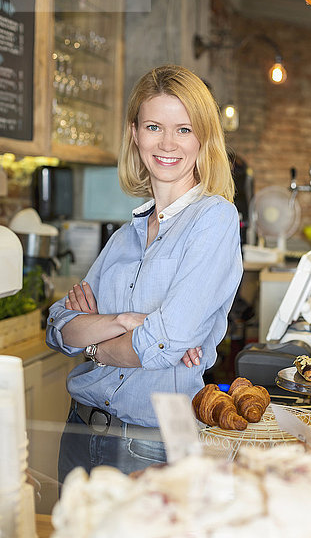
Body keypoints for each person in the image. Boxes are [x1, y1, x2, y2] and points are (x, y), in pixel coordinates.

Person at [46, 64, 243, 482]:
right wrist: (119, 323)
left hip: (149, 443)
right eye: (154, 126)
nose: (168, 143)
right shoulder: (124, 236)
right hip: (80, 429)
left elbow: (166, 343)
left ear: (203, 137)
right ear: (135, 134)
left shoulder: (215, 219)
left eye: (184, 129)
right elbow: (58, 327)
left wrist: (94, 345)